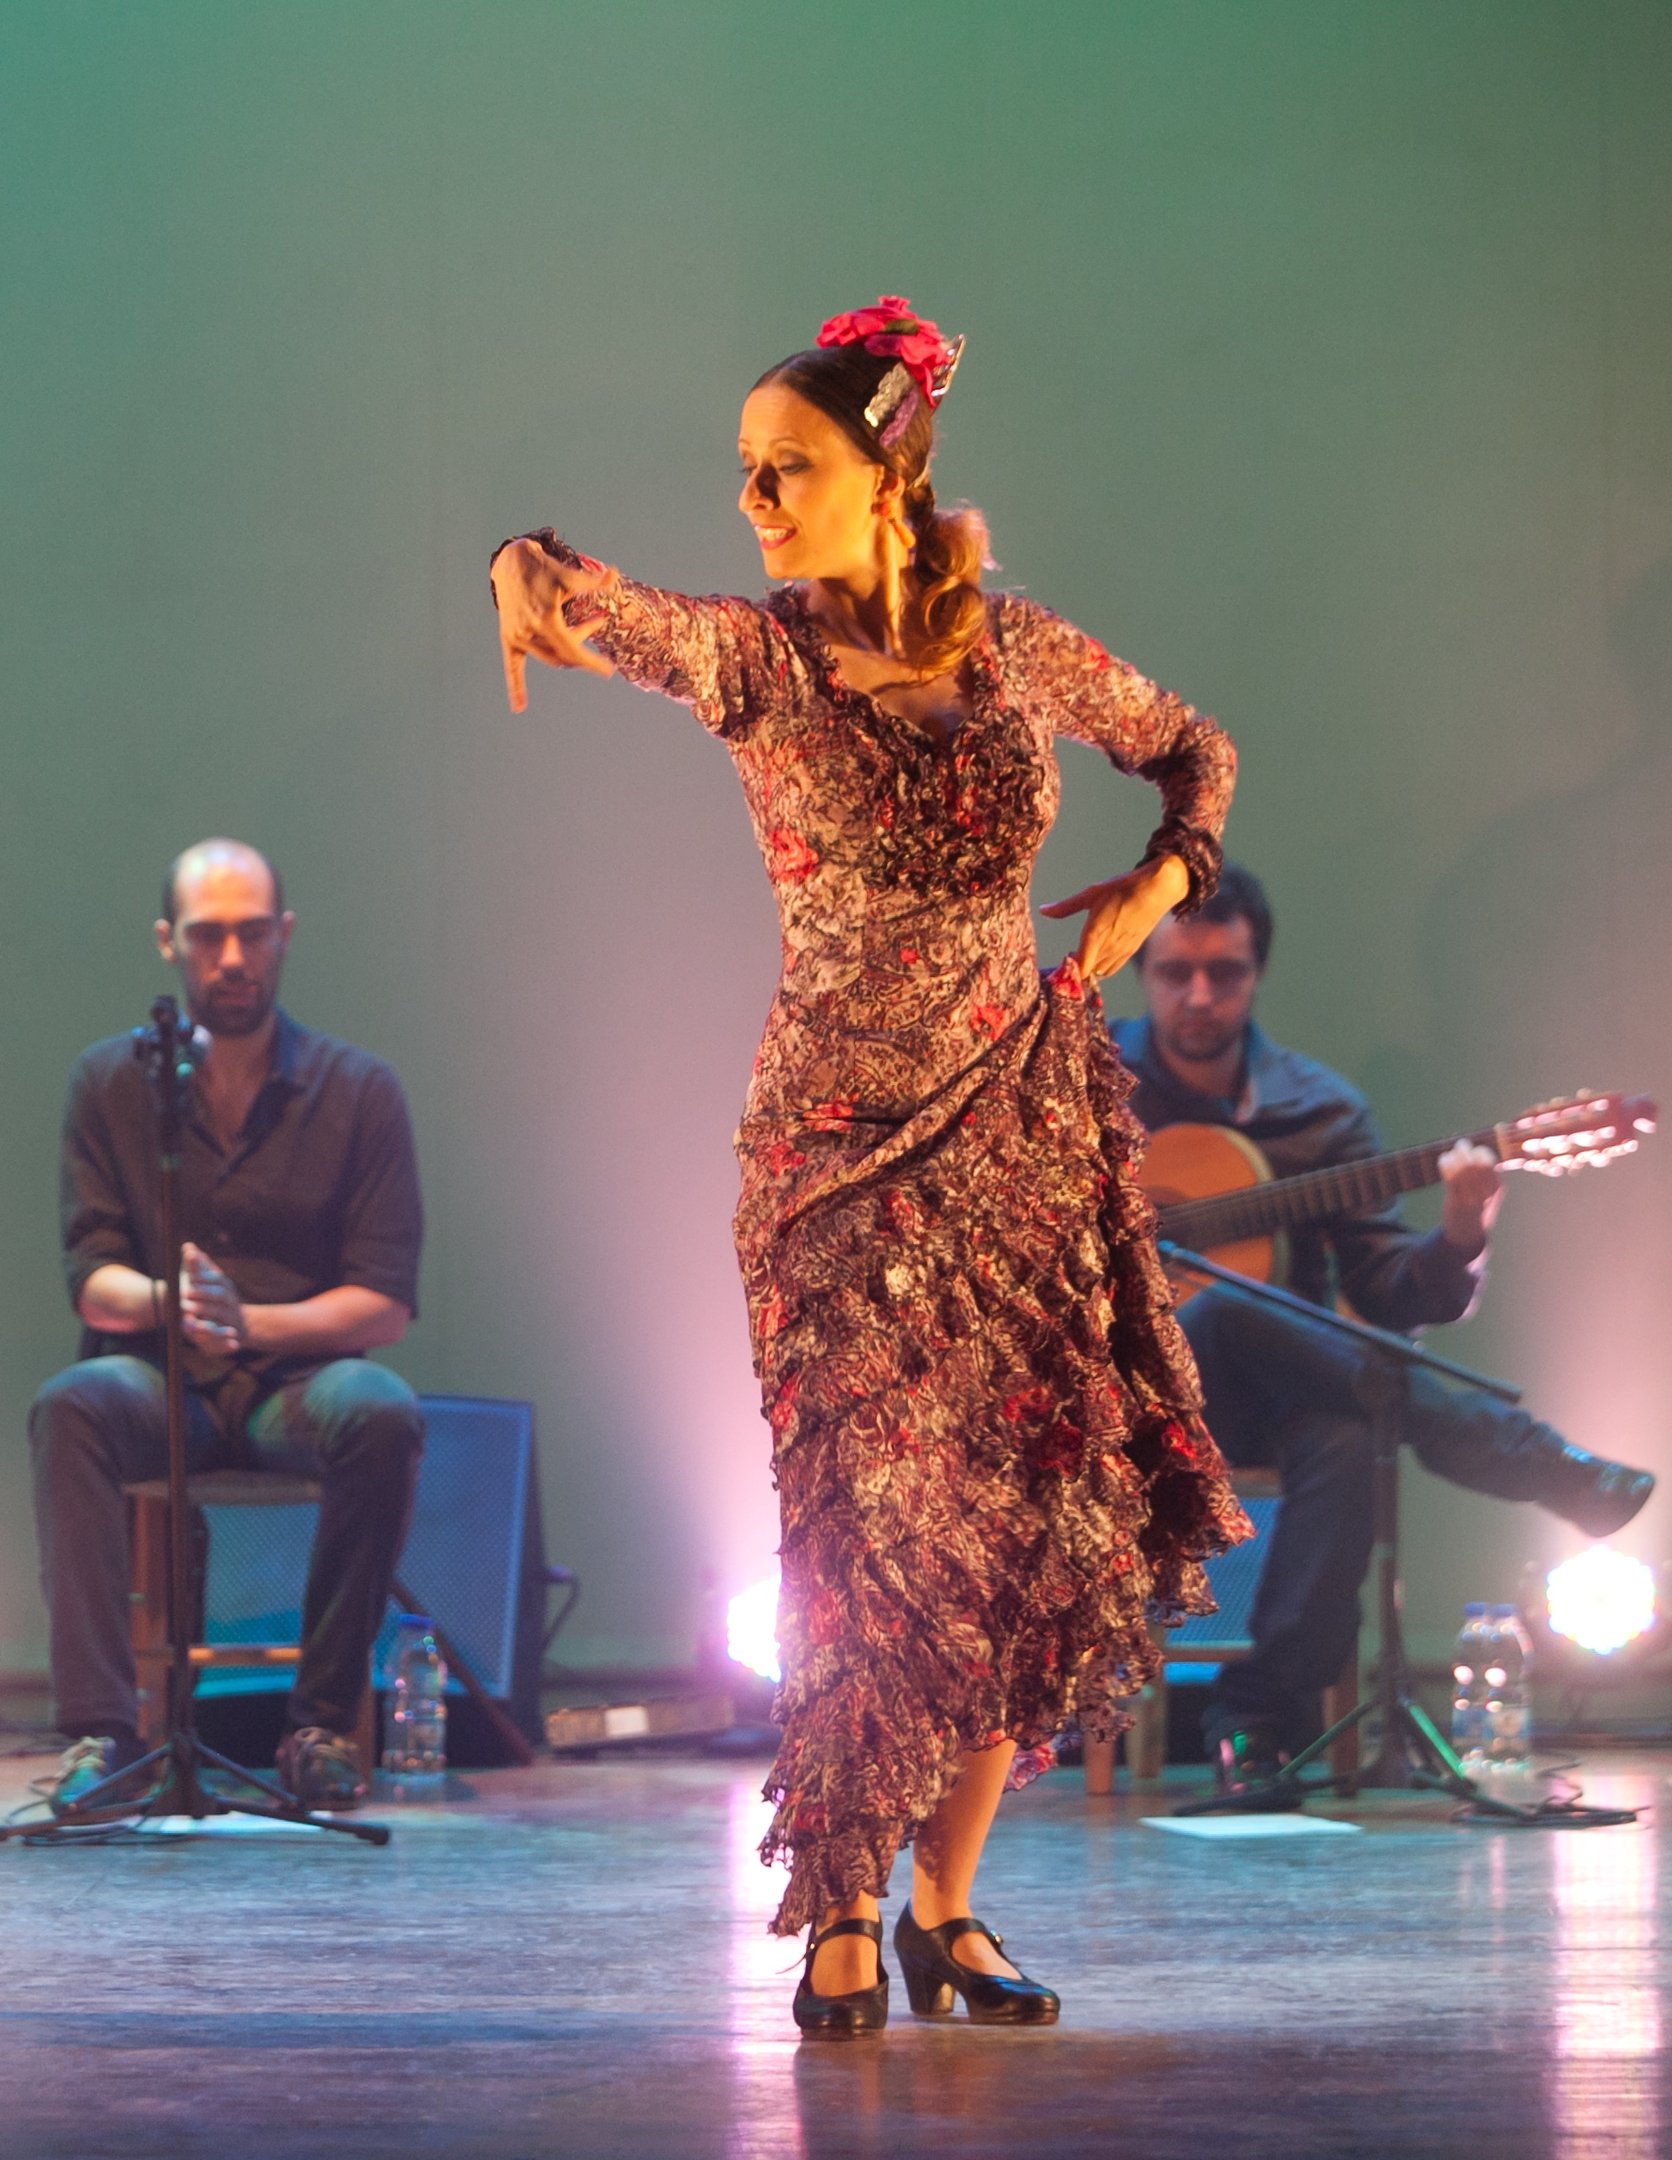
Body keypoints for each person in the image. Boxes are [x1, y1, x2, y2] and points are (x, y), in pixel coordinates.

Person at [491, 297, 1249, 2036]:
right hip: (835, 1167)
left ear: (886, 470)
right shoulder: (758, 660)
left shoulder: (1013, 654)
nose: (755, 500)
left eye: (788, 469)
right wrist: (522, 566)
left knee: (1025, 1536)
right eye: (742, 474)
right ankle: (834, 1904)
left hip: (1021, 1145)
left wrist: (1154, 887)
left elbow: (1193, 749)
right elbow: (599, 603)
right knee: (857, 1539)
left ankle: (946, 1910)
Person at [1112, 862, 1656, 1788]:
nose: (1199, 994)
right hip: (1117, 1391)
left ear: (1257, 974)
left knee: (1340, 1421)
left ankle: (1256, 1728)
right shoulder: (1085, 1089)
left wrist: (1459, 1233)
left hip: (1254, 1404)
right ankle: (1535, 1461)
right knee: (1237, 1309)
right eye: (1175, 972)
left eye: (1226, 974)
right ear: (1144, 973)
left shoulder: (1317, 1113)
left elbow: (1392, 1290)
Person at [32, 838, 425, 1814]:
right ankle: (106, 1734)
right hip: (159, 1377)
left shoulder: (358, 1089)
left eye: (253, 933)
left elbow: (382, 1303)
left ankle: (321, 1727)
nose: (234, 958)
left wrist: (249, 1322)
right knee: (71, 1407)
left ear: (284, 936)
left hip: (294, 1380)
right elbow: (93, 1282)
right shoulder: (111, 1083)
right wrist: (174, 1305)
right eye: (209, 937)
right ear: (170, 943)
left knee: (380, 1412)